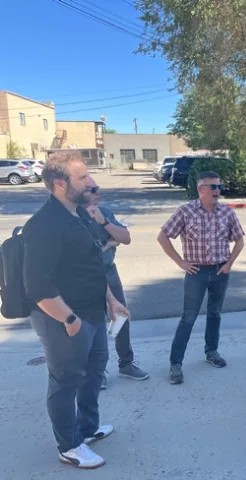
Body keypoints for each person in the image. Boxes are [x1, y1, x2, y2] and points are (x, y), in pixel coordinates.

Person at [23, 151, 130, 469]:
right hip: (61, 318)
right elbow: (37, 288)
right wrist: (68, 320)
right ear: (59, 183)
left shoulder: (80, 215)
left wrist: (110, 299)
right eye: (83, 177)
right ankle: (69, 446)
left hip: (94, 310)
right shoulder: (44, 225)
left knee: (94, 372)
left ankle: (86, 429)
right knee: (65, 380)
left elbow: (93, 263)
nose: (91, 182)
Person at [158, 171, 245, 385]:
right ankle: (175, 363)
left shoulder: (227, 213)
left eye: (219, 187)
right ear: (200, 189)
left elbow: (239, 241)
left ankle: (212, 352)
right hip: (196, 273)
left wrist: (228, 264)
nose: (217, 191)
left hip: (220, 271)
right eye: (213, 187)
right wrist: (181, 263)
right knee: (188, 318)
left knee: (215, 314)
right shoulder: (186, 212)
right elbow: (163, 236)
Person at [83, 178, 149, 388]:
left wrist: (104, 222)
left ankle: (126, 363)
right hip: (85, 277)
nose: (97, 193)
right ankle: (97, 371)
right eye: (93, 190)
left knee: (120, 318)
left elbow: (125, 237)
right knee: (93, 324)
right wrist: (108, 243)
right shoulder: (73, 217)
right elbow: (82, 255)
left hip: (109, 273)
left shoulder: (104, 211)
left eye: (98, 188)